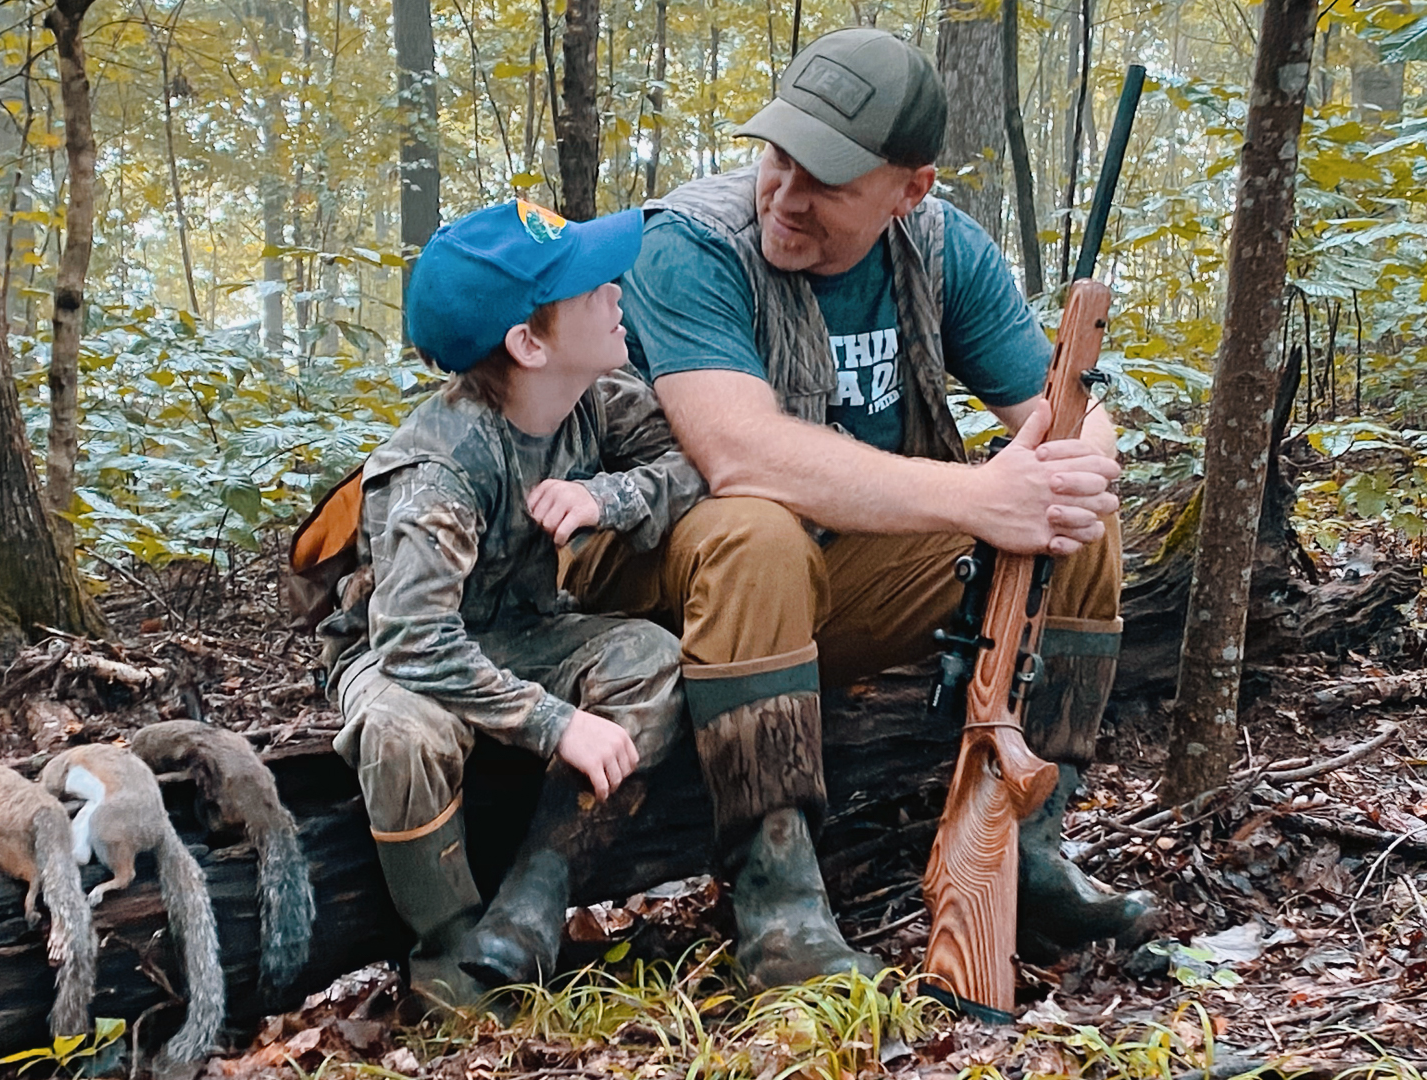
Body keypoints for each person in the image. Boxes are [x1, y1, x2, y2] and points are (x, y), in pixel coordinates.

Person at [563, 27, 1157, 988]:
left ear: (908, 189)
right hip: (654, 582)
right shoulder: (690, 244)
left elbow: (1072, 416)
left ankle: (1029, 853)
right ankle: (779, 905)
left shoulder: (941, 249)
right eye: (779, 160)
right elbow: (737, 451)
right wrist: (980, 494)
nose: (786, 199)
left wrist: (1077, 467)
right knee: (756, 527)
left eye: (827, 182)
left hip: (828, 577)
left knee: (1076, 522)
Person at [328, 199, 707, 1008]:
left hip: (519, 632)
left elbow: (692, 464)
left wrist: (610, 497)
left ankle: (534, 897)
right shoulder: (439, 470)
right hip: (402, 655)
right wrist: (556, 723)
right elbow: (413, 642)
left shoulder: (596, 396)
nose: (614, 290)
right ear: (528, 344)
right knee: (403, 735)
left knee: (651, 657)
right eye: (585, 286)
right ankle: (452, 951)